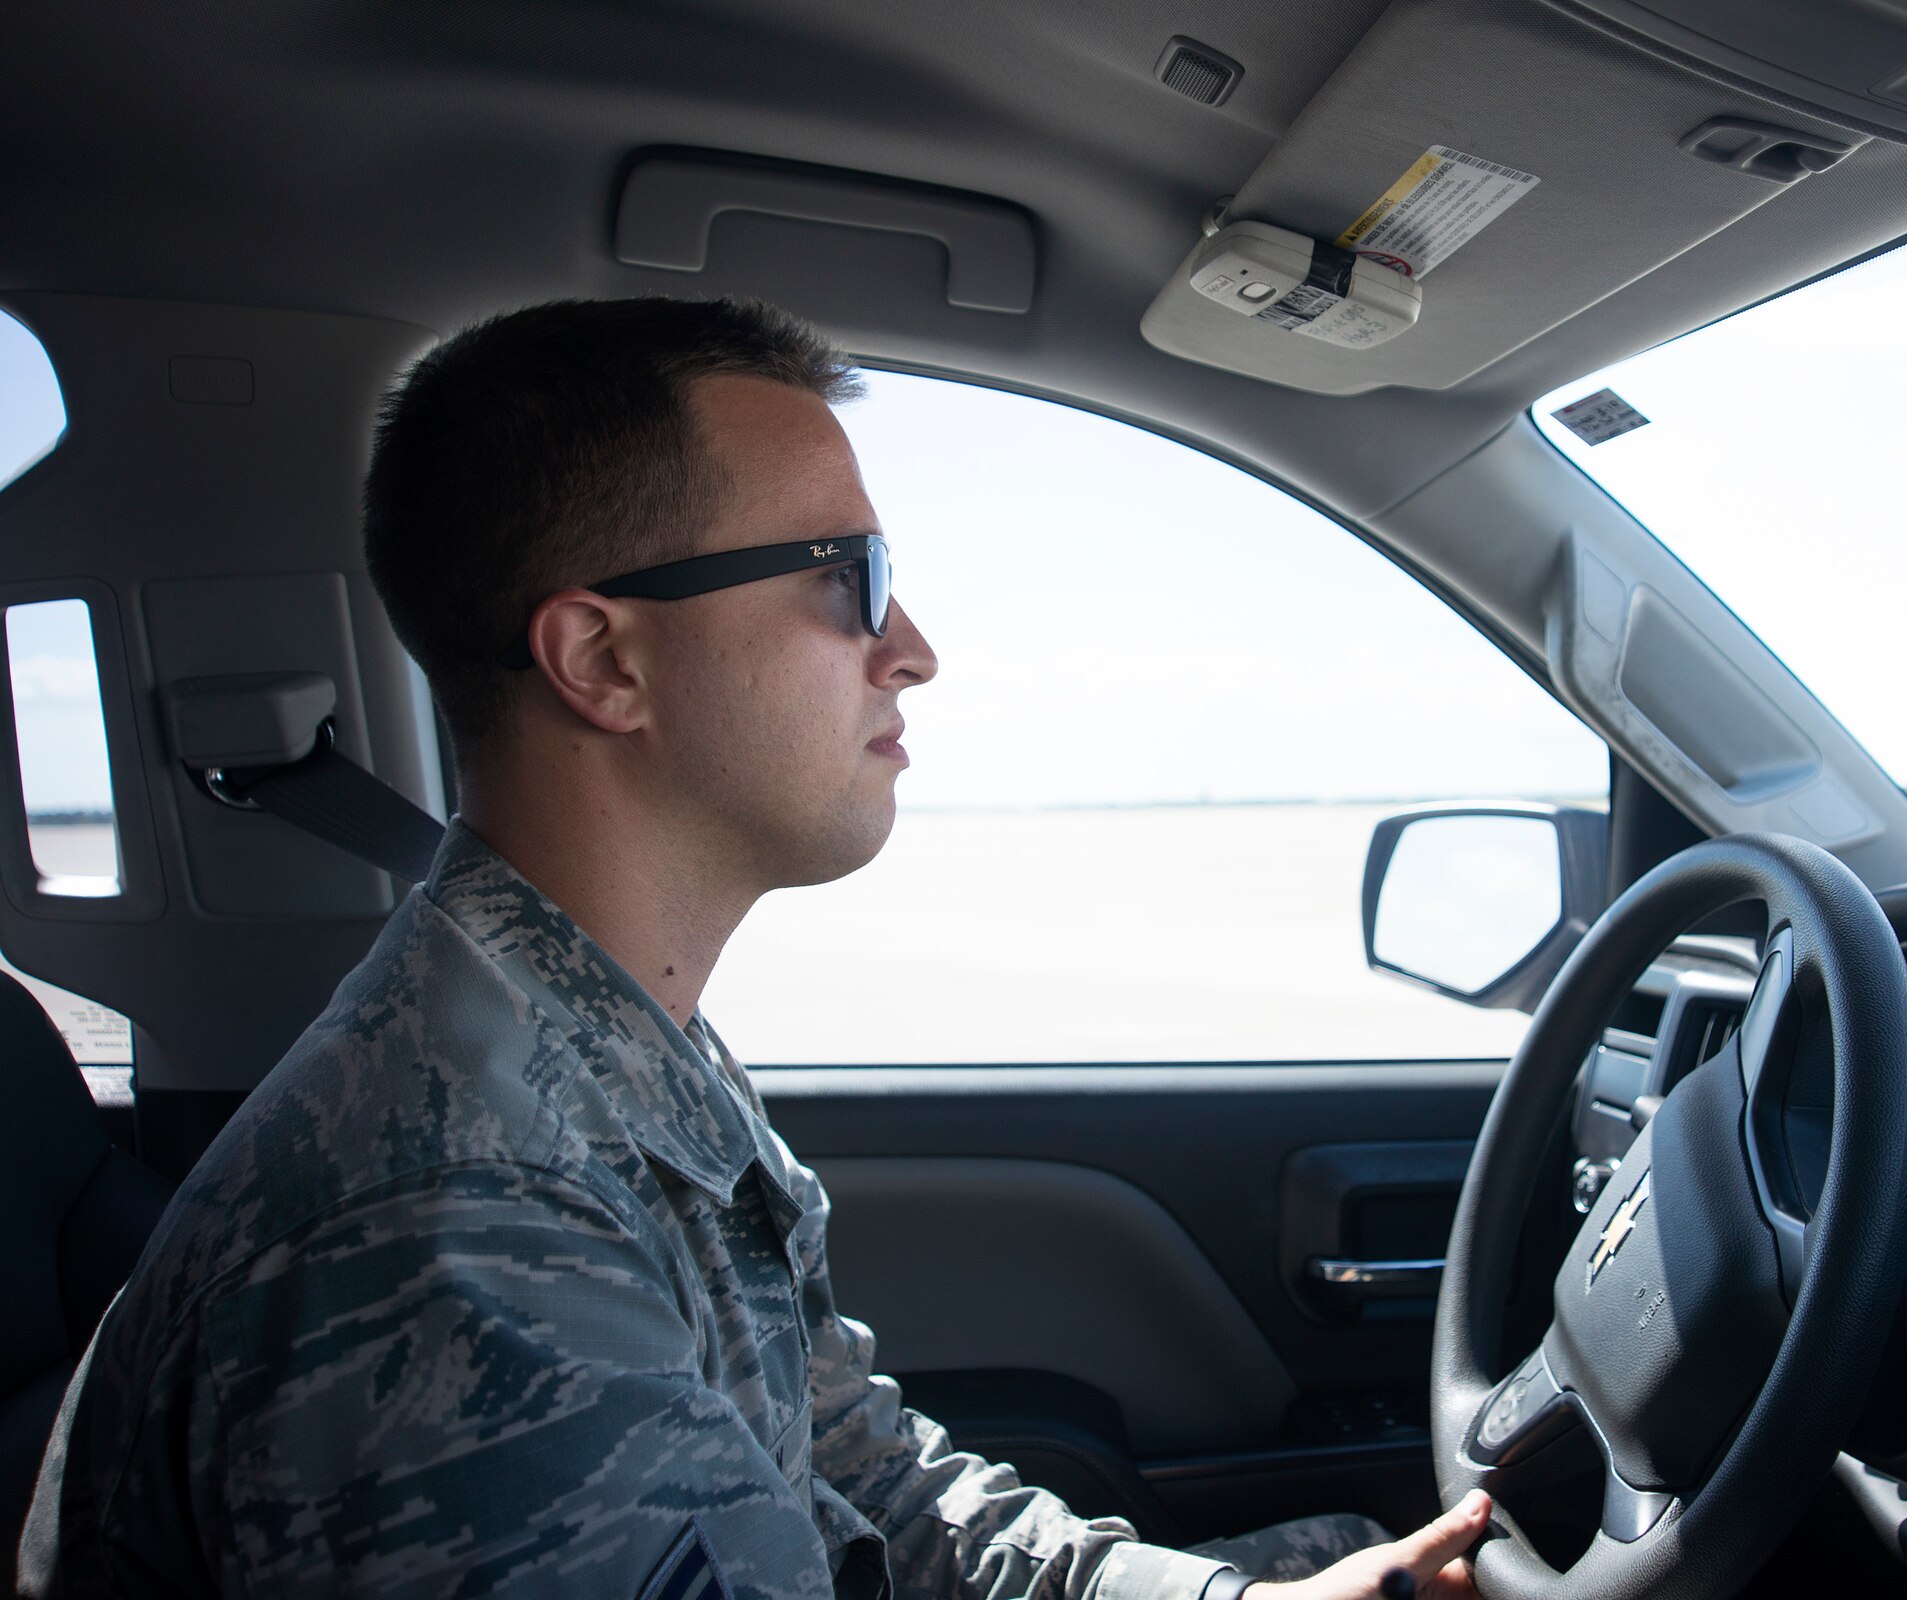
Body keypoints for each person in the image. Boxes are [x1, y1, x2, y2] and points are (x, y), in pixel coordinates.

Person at [20, 297, 1489, 1599]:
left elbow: (863, 1480)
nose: (911, 644)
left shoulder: (595, 1030)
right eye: (847, 572)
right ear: (604, 660)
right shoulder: (459, 1233)